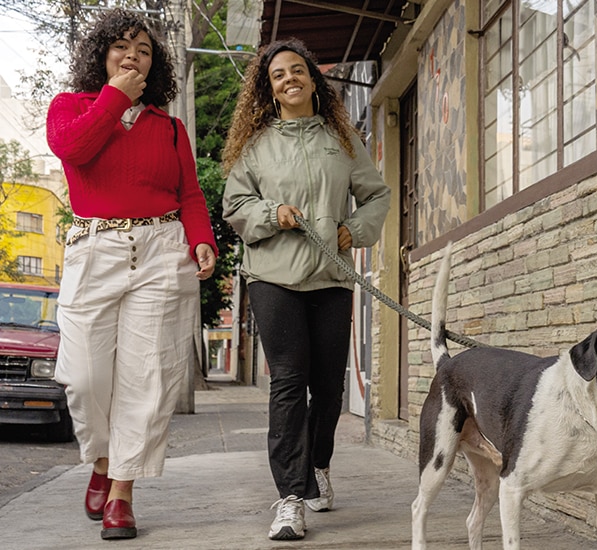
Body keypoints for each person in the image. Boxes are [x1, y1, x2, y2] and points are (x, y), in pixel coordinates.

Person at [46, 8, 218, 541]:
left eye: (144, 51)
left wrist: (202, 239)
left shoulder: (168, 127)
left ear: (155, 65)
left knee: (148, 378)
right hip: (94, 248)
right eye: (122, 46)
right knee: (84, 376)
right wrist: (116, 96)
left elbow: (188, 193)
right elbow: (73, 149)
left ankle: (121, 490)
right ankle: (101, 461)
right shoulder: (71, 107)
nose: (132, 56)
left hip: (163, 251)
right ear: (102, 55)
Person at [221, 38, 391, 541]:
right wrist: (272, 214)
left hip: (331, 277)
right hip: (273, 277)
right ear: (269, 89)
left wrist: (353, 230)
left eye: (298, 70)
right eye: (278, 75)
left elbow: (376, 195)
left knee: (329, 387)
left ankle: (318, 464)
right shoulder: (256, 145)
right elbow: (235, 203)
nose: (289, 78)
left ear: (313, 79)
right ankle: (290, 496)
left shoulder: (342, 140)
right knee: (290, 383)